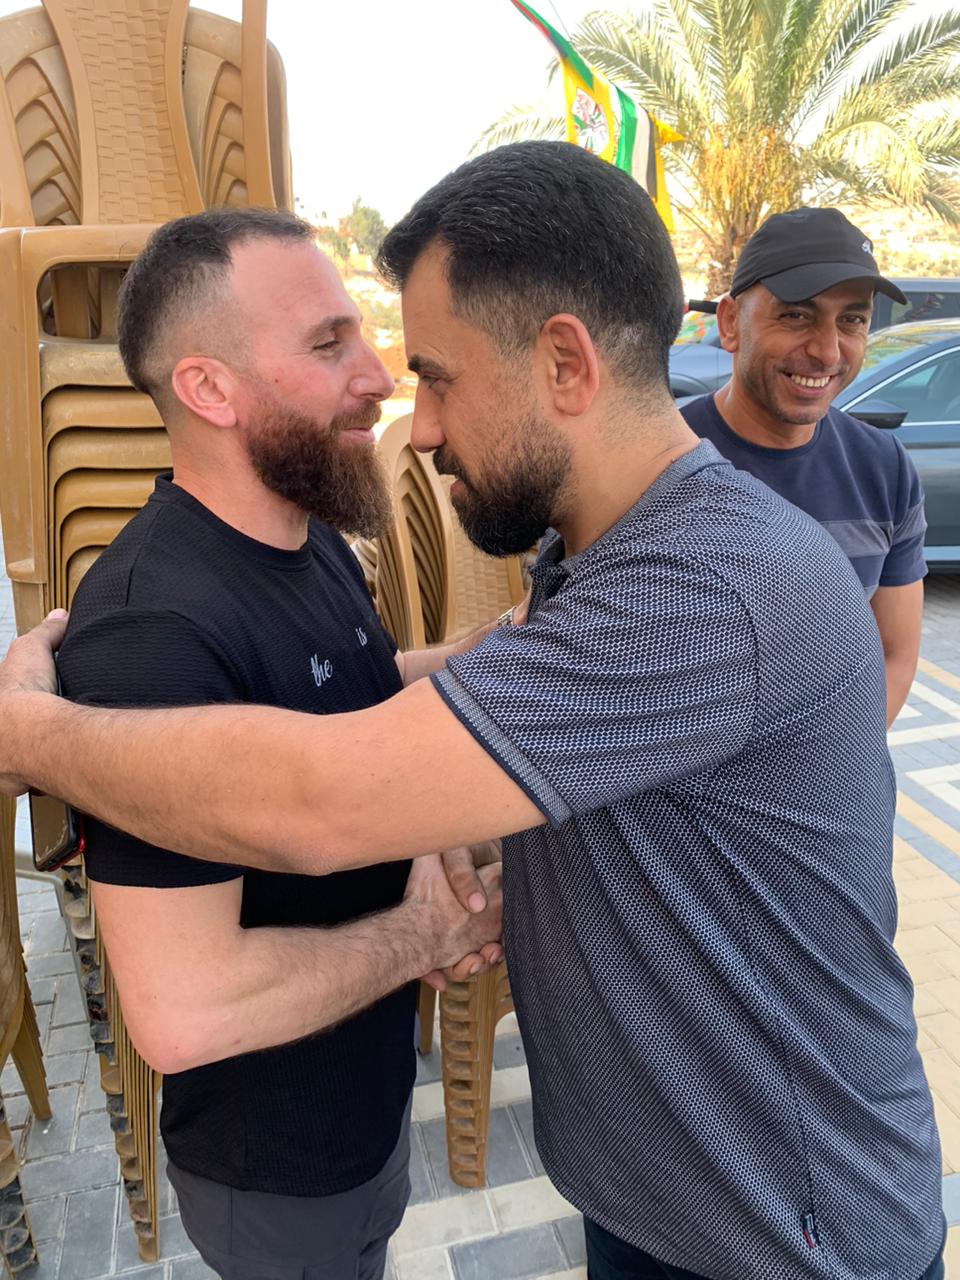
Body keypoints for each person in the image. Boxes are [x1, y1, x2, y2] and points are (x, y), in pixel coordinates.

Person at [1, 143, 946, 1280]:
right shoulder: (596, 556)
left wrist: (29, 734)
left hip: (782, 1232)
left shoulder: (696, 590)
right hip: (673, 1198)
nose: (419, 421)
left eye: (438, 376)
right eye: (339, 347)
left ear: (564, 363)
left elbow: (322, 798)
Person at [42, 207, 505, 1280]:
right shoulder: (154, 633)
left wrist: (481, 657)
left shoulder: (305, 536)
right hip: (278, 1168)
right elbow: (183, 1011)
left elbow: (338, 701)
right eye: (329, 344)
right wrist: (423, 934)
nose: (379, 376)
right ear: (209, 388)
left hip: (362, 1106)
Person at [681, 208, 926, 723]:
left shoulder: (884, 469)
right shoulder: (655, 459)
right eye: (796, 315)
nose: (827, 352)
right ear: (730, 323)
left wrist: (836, 757)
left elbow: (893, 654)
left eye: (852, 320)